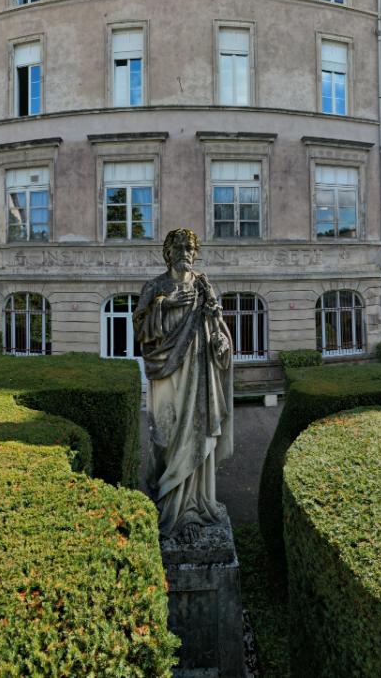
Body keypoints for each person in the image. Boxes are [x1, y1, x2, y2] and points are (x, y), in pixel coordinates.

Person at [135, 228, 235, 541]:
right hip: (167, 377)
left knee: (198, 436)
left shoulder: (204, 284)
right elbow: (140, 329)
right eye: (178, 248)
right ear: (167, 253)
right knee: (165, 438)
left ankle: (196, 506)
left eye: (190, 248)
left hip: (199, 375)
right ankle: (168, 504)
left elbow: (217, 328)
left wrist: (221, 344)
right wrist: (167, 304)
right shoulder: (155, 287)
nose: (185, 254)